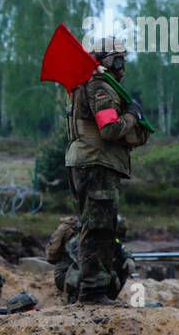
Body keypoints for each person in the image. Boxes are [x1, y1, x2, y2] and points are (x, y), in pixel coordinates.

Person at [63, 36, 149, 304]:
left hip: (92, 161)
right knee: (98, 227)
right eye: (121, 57)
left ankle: (94, 289)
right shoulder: (100, 86)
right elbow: (110, 129)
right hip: (97, 162)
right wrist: (133, 115)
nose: (124, 63)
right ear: (109, 59)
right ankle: (92, 291)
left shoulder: (93, 84)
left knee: (99, 226)